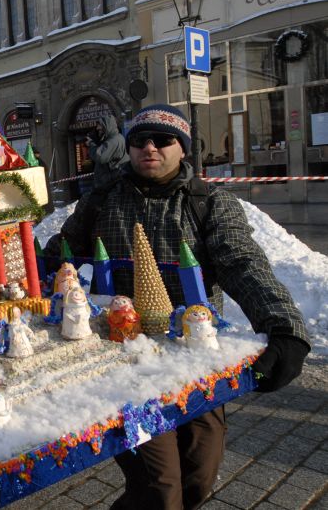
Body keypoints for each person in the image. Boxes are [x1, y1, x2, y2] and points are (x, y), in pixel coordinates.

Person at [45, 103, 310, 509]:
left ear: (182, 148)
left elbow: (242, 262)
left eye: (163, 140)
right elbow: (58, 255)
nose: (150, 148)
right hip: (124, 359)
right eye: (139, 140)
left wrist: (284, 327)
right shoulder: (102, 199)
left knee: (198, 476)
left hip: (193, 360)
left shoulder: (208, 202)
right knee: (160, 486)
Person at [86, 112, 129, 189]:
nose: (97, 128)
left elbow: (100, 157)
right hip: (110, 184)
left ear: (107, 126)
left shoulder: (114, 140)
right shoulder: (112, 139)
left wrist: (91, 144)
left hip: (113, 185)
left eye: (100, 126)